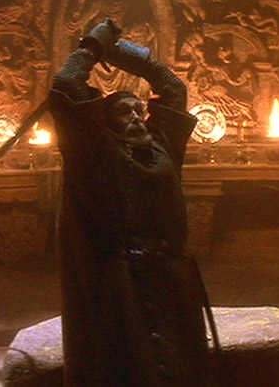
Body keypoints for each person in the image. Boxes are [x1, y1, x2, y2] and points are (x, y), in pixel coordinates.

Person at [49, 19, 217, 387]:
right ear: (106, 124)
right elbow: (66, 85)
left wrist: (121, 52)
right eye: (124, 112)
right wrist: (93, 48)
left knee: (181, 365)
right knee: (130, 368)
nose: (137, 117)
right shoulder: (96, 151)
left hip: (172, 275)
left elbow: (172, 87)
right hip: (120, 283)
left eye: (139, 110)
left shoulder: (163, 146)